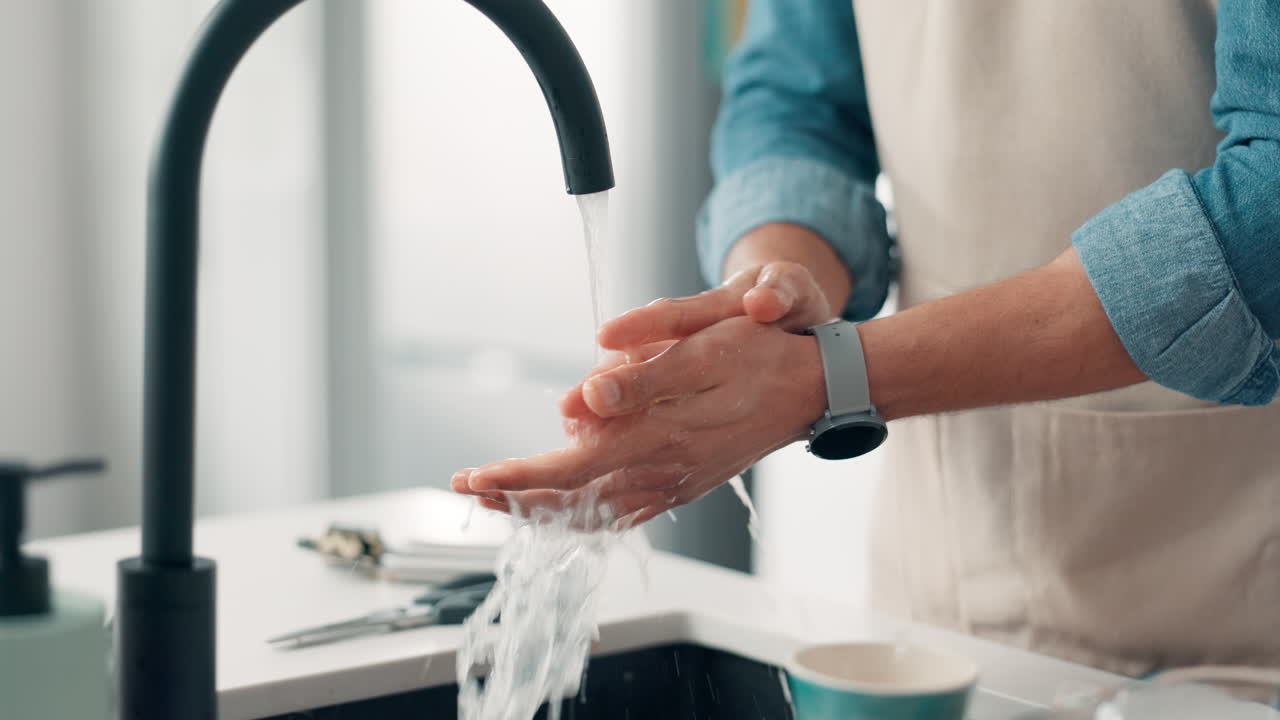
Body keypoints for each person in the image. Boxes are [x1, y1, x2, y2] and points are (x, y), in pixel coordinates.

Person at [454, 0, 1280, 675]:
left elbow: (1268, 206)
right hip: (938, 607)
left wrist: (829, 378)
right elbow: (799, 98)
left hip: (1237, 621)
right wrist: (771, 288)